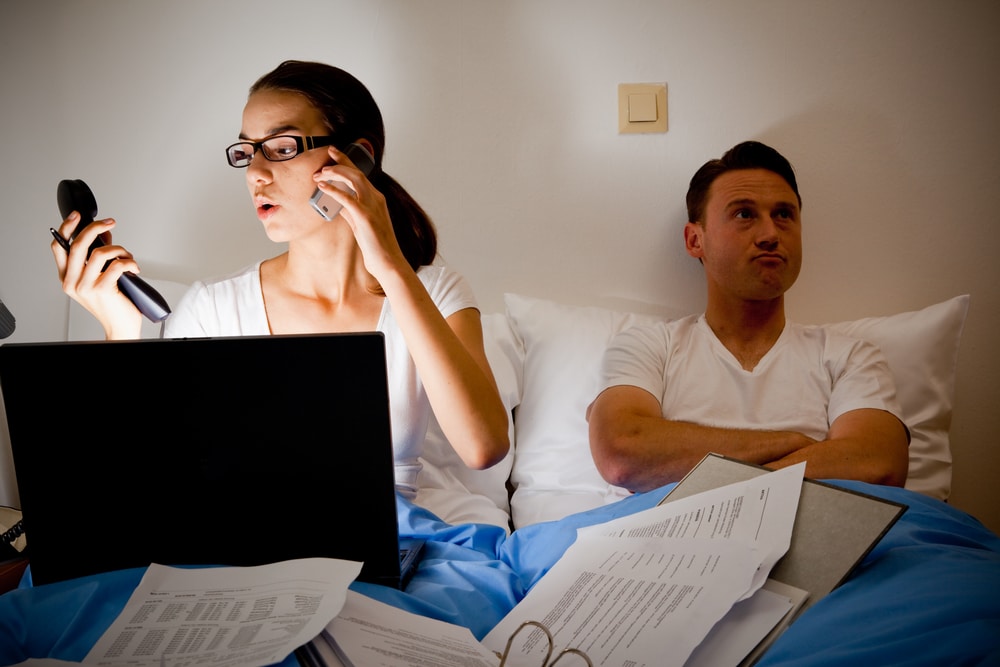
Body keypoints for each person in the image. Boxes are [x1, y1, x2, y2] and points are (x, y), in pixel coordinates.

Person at [51, 59, 510, 500]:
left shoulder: (435, 293)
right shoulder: (212, 307)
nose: (256, 173)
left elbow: (482, 447)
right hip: (242, 552)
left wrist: (390, 264)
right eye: (246, 151)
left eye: (283, 147)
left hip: (387, 540)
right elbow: (148, 475)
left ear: (358, 159)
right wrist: (120, 332)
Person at [587, 140, 909, 493]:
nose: (771, 234)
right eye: (744, 214)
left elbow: (879, 464)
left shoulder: (849, 356)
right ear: (695, 240)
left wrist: (692, 464)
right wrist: (802, 445)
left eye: (784, 215)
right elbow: (622, 451)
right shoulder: (649, 347)